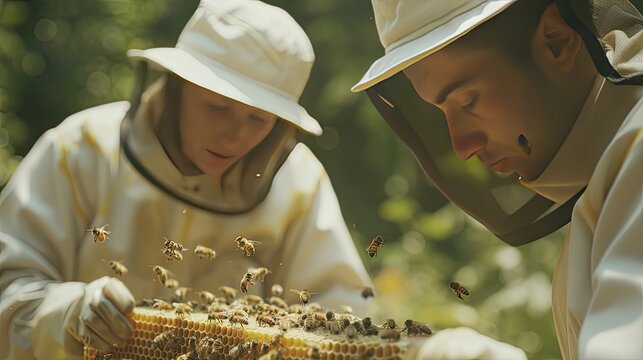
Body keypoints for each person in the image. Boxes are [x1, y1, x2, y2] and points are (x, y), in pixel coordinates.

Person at [0, 1, 372, 358]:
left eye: (257, 119)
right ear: (175, 88)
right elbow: (7, 290)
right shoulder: (79, 150)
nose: (233, 136)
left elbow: (341, 319)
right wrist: (65, 314)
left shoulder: (299, 185)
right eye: (217, 106)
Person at [353, 0, 642, 359]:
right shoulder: (612, 178)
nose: (461, 146)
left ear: (557, 41)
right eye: (440, 113)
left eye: (468, 101)